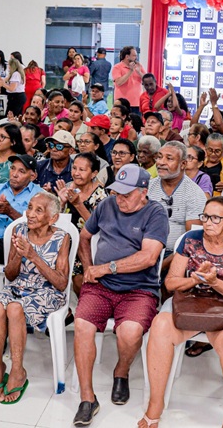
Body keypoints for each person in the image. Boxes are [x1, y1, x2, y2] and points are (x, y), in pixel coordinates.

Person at [141, 197, 223, 428]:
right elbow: (171, 283)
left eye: (215, 218)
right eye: (205, 216)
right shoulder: (190, 240)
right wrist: (195, 279)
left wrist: (214, 282)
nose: (208, 222)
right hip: (191, 302)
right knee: (160, 326)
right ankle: (155, 402)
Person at [71, 163, 168, 426]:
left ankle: (121, 371)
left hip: (139, 289)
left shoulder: (155, 213)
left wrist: (105, 268)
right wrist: (89, 267)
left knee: (130, 332)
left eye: (127, 194)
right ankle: (87, 398)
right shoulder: (106, 205)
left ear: (143, 192)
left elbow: (148, 257)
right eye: (117, 193)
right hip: (101, 286)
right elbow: (84, 236)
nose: (120, 199)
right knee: (82, 325)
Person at [0, 191, 69, 403]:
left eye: (38, 210)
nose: (30, 214)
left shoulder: (62, 237)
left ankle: (17, 371)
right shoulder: (19, 230)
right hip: (19, 286)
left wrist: (33, 255)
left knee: (15, 308)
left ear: (52, 218)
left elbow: (61, 283)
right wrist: (18, 256)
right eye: (30, 207)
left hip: (47, 291)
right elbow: (10, 275)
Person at [54, 153, 107, 294]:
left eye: (82, 170)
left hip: (88, 245)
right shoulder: (67, 188)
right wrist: (61, 203)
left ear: (94, 173)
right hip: (65, 242)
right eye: (74, 168)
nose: (76, 173)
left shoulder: (100, 195)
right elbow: (55, 221)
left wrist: (78, 204)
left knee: (79, 281)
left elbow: (99, 227)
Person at [148, 141, 205, 263]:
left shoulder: (195, 194)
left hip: (176, 255)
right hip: (144, 249)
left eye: (169, 158)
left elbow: (192, 242)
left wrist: (161, 266)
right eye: (159, 157)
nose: (161, 162)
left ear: (183, 164)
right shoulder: (147, 188)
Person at [0, 154, 42, 265]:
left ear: (32, 176)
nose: (14, 174)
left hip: (19, 244)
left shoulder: (40, 195)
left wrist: (9, 211)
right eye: (12, 168)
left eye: (21, 171)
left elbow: (38, 227)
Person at [112, 46, 145, 114]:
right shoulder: (117, 67)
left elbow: (147, 80)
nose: (136, 57)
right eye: (134, 55)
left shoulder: (138, 66)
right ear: (127, 56)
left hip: (137, 103)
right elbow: (119, 82)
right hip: (122, 103)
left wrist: (139, 72)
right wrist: (130, 71)